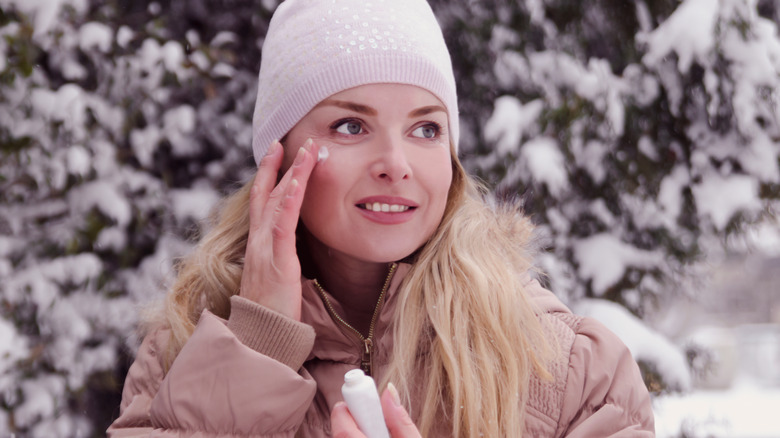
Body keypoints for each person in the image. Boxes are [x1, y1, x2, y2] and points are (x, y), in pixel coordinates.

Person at [108, 0, 655, 436]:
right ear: (276, 157)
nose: (396, 165)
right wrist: (256, 349)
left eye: (425, 129)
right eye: (350, 126)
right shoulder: (181, 354)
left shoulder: (570, 371)